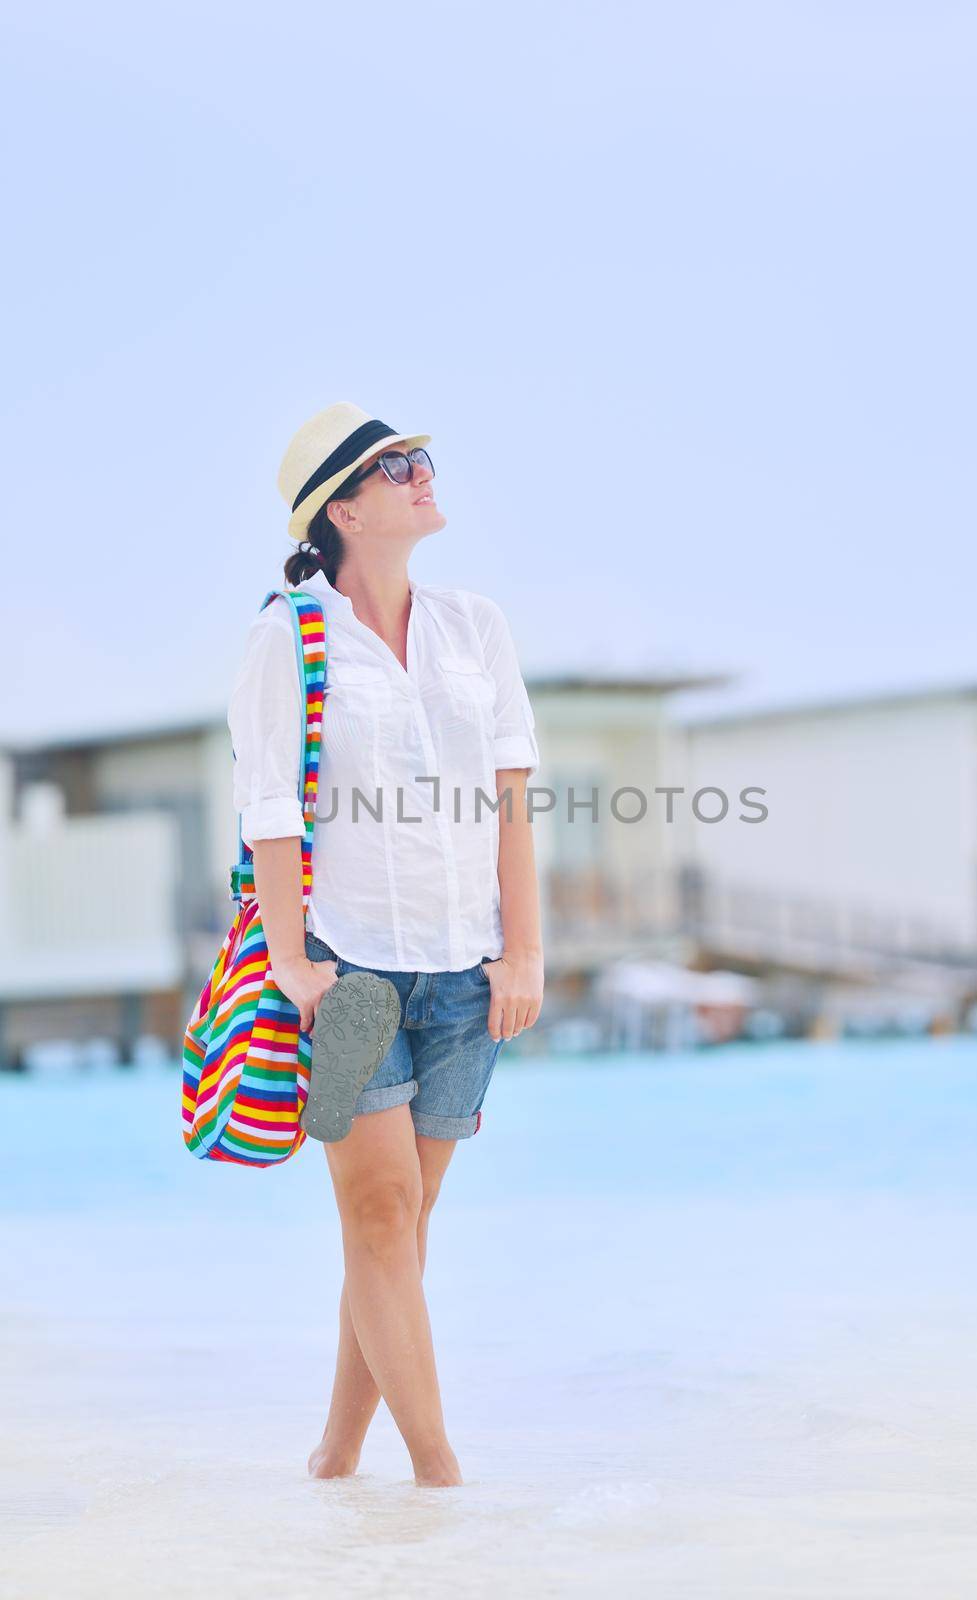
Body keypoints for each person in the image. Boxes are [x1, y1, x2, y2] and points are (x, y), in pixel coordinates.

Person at [227, 401, 544, 1488]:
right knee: (378, 1212)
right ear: (346, 507)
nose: (423, 474)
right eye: (398, 464)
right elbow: (268, 808)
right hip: (350, 972)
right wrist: (293, 963)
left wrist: (526, 954)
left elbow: (511, 800)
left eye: (422, 458)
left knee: (400, 1236)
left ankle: (335, 1458)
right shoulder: (288, 635)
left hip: (467, 973)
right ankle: (442, 1482)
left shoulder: (476, 628)